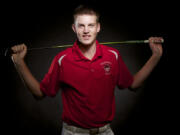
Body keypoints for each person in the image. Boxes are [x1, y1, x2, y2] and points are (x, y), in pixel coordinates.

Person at [11, 5, 163, 135]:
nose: (86, 30)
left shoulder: (112, 55)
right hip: (73, 132)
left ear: (98, 27)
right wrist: (19, 62)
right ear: (74, 28)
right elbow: (39, 93)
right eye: (81, 25)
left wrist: (156, 56)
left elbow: (133, 84)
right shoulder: (62, 59)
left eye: (90, 25)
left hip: (105, 131)